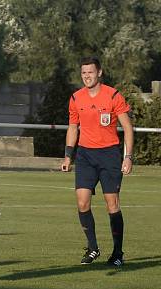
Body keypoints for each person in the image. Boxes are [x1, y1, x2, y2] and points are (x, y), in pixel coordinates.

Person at [61, 56, 133, 266]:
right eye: (83, 73)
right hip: (85, 156)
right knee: (82, 202)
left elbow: (127, 128)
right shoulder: (76, 98)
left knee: (112, 204)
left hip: (110, 155)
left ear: (99, 72)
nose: (87, 76)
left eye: (90, 72)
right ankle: (93, 248)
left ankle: (118, 253)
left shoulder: (113, 96)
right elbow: (73, 127)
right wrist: (68, 155)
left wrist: (128, 157)